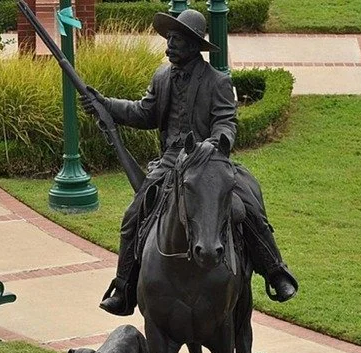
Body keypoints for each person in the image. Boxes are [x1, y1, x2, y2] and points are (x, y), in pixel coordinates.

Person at [80, 9, 298, 316]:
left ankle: (276, 271)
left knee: (245, 206)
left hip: (209, 162)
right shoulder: (161, 77)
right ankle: (124, 287)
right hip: (170, 164)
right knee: (133, 217)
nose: (169, 44)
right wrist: (105, 103)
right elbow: (145, 113)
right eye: (168, 38)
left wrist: (215, 143)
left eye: (176, 39)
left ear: (194, 46)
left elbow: (226, 122)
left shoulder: (217, 81)